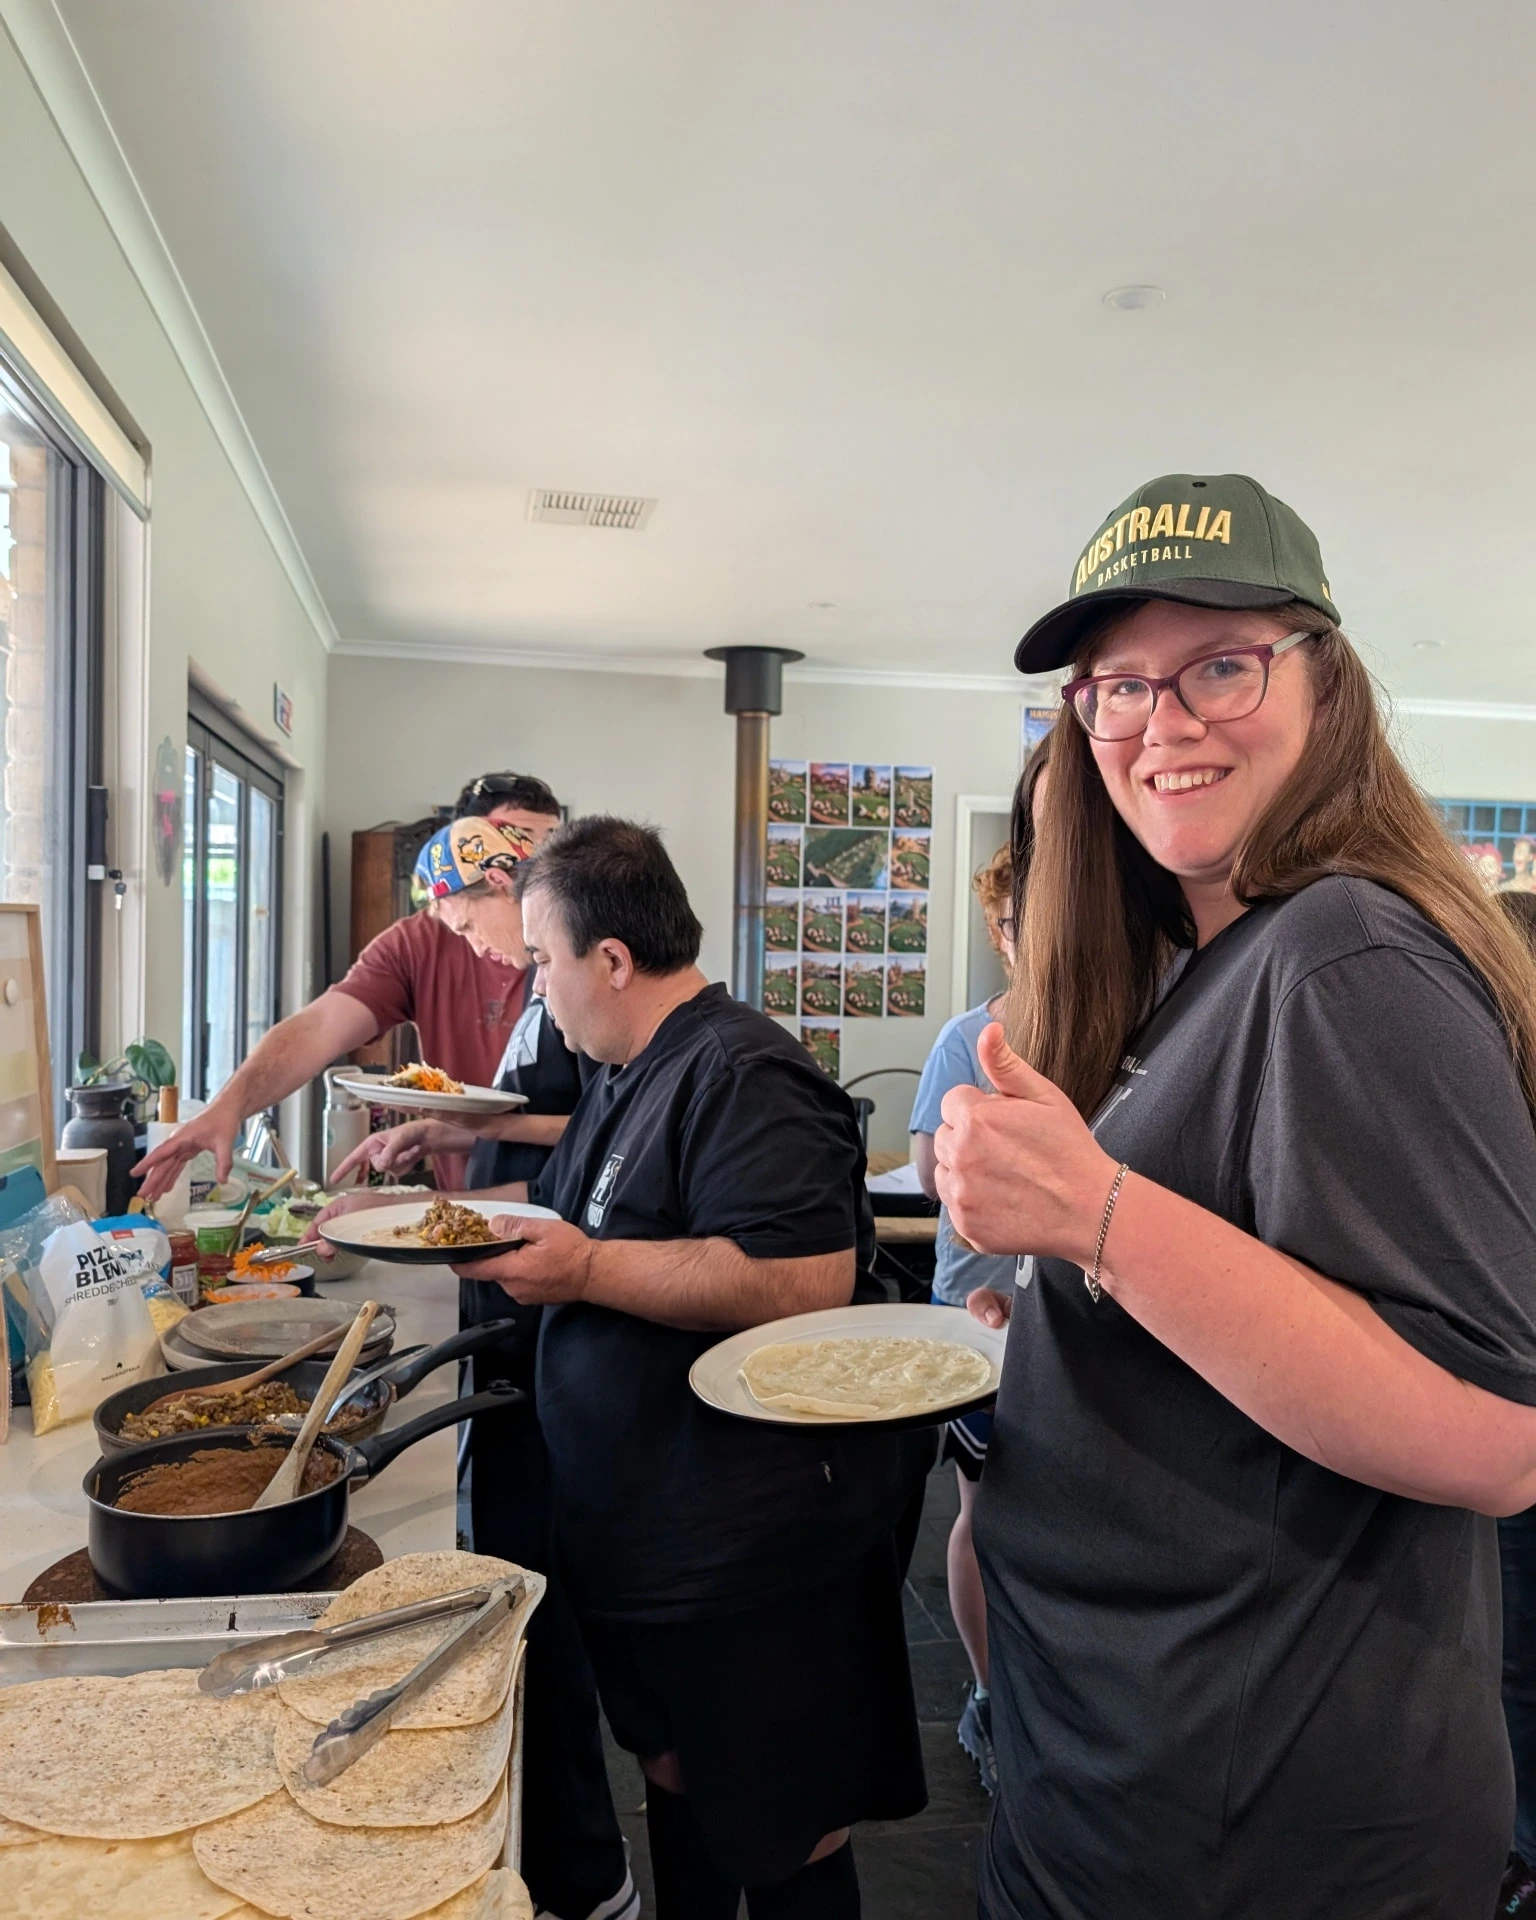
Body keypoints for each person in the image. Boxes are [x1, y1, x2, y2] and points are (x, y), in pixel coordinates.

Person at [937, 472, 1536, 1920]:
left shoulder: (1347, 954)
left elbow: (1496, 1435)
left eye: (1221, 665)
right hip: (1118, 1767)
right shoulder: (1217, 958)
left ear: (1326, 683)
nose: (1164, 724)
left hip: (1253, 1826)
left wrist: (1094, 1216)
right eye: (1119, 688)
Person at [455, 816, 927, 1920]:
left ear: (613, 959)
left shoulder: (743, 1071)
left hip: (747, 1550)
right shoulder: (628, 1069)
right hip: (648, 1531)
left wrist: (584, 1271)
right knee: (679, 1779)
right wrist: (426, 1207)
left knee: (784, 1824)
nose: (537, 988)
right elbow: (569, 1210)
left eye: (543, 961)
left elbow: (802, 1277)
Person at [134, 771, 566, 1200]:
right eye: (516, 842)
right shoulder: (419, 943)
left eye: (548, 845)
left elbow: (594, 1125)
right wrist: (229, 1106)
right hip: (472, 1203)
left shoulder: (571, 951)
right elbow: (318, 1028)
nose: (532, 867)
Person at [907, 830, 1025, 1794]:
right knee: (985, 1513)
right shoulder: (966, 1039)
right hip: (979, 1318)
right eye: (1022, 922)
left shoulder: (1133, 1026)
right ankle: (989, 1693)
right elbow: (926, 1173)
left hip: (1085, 1322)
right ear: (1000, 931)